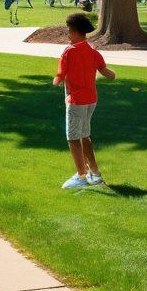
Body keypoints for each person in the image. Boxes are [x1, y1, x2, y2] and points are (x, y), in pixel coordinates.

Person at [54, 12, 116, 189]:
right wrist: (111, 74)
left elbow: (60, 75)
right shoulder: (92, 51)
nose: (67, 34)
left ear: (75, 32)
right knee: (84, 136)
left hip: (76, 101)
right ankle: (95, 174)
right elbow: (107, 72)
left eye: (69, 30)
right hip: (91, 100)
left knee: (73, 138)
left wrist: (56, 81)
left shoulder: (69, 51)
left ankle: (81, 176)